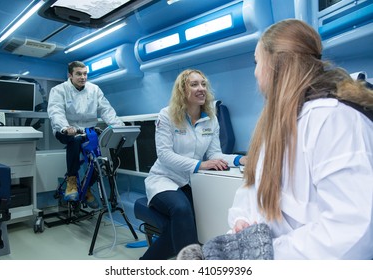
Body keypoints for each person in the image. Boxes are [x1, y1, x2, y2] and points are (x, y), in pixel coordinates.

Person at [228, 19, 373, 259]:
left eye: (257, 62)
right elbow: (252, 189)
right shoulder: (277, 124)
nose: (254, 72)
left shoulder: (333, 119)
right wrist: (242, 219)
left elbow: (354, 231)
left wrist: (267, 253)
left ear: (275, 62)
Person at [140, 69, 246, 260]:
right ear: (182, 90)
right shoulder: (167, 115)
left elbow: (215, 154)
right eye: (194, 84)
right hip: (164, 179)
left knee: (188, 221)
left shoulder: (210, 118)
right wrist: (201, 165)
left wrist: (240, 160)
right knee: (181, 210)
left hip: (189, 182)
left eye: (204, 84)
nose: (201, 89)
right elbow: (164, 155)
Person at [47, 61, 124, 208]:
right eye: (78, 74)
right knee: (74, 140)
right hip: (66, 130)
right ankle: (72, 182)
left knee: (101, 156)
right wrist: (64, 127)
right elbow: (55, 111)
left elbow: (106, 109)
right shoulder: (59, 90)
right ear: (70, 75)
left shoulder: (94, 89)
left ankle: (87, 186)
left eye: (85, 74)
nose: (83, 77)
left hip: (88, 130)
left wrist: (118, 126)